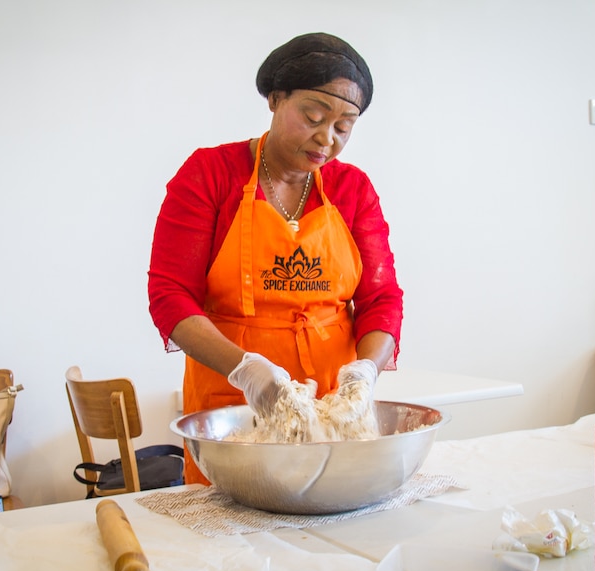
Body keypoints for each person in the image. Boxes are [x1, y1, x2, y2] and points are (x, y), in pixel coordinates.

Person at [148, 32, 404, 484]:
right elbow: (170, 297)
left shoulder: (352, 190)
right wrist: (248, 372)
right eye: (313, 116)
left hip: (332, 418)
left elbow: (382, 299)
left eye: (343, 127)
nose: (326, 138)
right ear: (275, 98)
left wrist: (364, 375)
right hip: (235, 407)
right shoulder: (209, 175)